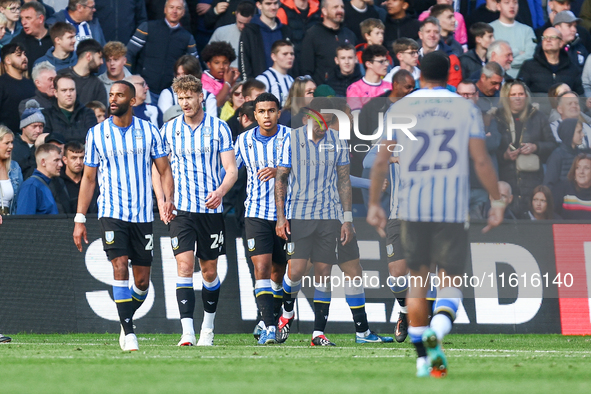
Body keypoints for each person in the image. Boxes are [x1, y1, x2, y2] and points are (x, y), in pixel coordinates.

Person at [367, 51, 505, 378]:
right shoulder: (464, 108)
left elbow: (380, 160)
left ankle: (421, 359)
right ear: (449, 75)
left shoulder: (400, 107)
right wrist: (496, 200)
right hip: (451, 208)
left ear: (419, 73)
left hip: (412, 208)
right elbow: (481, 161)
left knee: (417, 283)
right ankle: (437, 332)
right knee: (450, 284)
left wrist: (374, 203)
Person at [274, 97, 392, 346]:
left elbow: (343, 180)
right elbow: (282, 177)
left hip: (333, 216)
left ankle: (350, 332)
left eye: (329, 122)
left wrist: (347, 219)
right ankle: (285, 314)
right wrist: (281, 217)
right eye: (319, 122)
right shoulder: (292, 140)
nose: (323, 127)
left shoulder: (337, 141)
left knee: (345, 270)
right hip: (301, 216)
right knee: (297, 271)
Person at [73, 80, 175, 352]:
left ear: (132, 100)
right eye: (111, 95)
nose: (113, 99)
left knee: (141, 281)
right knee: (119, 265)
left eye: (120, 95)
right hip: (111, 212)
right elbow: (89, 178)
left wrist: (167, 200)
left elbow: (164, 170)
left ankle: (124, 317)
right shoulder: (96, 133)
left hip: (142, 214)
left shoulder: (150, 131)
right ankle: (129, 333)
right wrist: (80, 218)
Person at [157, 75, 238, 347]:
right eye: (180, 98)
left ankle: (208, 328)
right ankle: (187, 332)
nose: (185, 103)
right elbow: (159, 170)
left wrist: (220, 192)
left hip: (210, 210)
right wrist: (163, 200)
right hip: (181, 210)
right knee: (184, 265)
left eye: (189, 97)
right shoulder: (168, 130)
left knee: (210, 272)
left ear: (201, 97)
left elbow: (231, 170)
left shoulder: (219, 128)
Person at [234, 92, 289, 344]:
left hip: (287, 215)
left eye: (271, 111)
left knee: (280, 273)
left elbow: (306, 168)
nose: (267, 116)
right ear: (254, 115)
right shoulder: (243, 140)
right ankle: (268, 327)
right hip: (255, 213)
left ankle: (268, 317)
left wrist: (279, 170)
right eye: (262, 112)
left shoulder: (291, 137)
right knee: (262, 269)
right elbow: (230, 171)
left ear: (278, 112)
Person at [496, 80, 557, 215]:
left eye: (521, 94)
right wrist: (504, 156)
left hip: (533, 180)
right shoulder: (498, 117)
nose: (518, 97)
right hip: (506, 179)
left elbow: (552, 145)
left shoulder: (538, 116)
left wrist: (536, 147)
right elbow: (490, 150)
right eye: (513, 94)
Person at [126, 0, 198, 99]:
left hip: (171, 93)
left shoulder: (187, 38)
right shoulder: (147, 27)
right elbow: (128, 53)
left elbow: (194, 66)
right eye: (171, 7)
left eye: (179, 8)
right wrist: (131, 79)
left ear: (183, 12)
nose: (174, 11)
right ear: (165, 9)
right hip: (144, 90)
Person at [300, 0, 356, 85]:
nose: (340, 10)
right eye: (335, 7)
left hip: (349, 91)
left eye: (342, 7)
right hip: (323, 93)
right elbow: (306, 69)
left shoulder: (350, 35)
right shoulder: (312, 35)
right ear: (324, 11)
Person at [518, 27, 584, 96]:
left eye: (553, 37)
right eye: (545, 37)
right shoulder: (529, 66)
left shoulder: (572, 68)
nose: (548, 40)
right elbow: (520, 93)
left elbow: (580, 96)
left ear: (561, 43)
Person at [239, 0, 292, 80]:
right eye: (268, 3)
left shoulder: (285, 30)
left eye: (275, 3)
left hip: (284, 86)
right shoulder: (249, 31)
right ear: (259, 5)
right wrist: (249, 86)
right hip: (258, 87)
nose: (273, 7)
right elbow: (244, 62)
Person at [42, 73, 98, 143]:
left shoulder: (88, 113)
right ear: (56, 93)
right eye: (64, 90)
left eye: (72, 90)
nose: (69, 94)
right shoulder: (46, 115)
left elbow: (93, 138)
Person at [489, 0, 536, 78]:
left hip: (523, 81)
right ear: (498, 6)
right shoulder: (490, 29)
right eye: (507, 2)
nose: (512, 6)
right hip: (498, 80)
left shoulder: (527, 30)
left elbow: (531, 55)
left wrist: (506, 60)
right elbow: (491, 57)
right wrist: (517, 52)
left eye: (515, 2)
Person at [15, 143, 62, 214]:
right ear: (43, 162)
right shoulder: (31, 186)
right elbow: (24, 221)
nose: (61, 164)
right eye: (56, 160)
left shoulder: (43, 184)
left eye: (60, 160)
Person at [58, 38, 107, 106]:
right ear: (88, 56)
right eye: (99, 57)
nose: (102, 62)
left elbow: (102, 113)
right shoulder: (60, 76)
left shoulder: (98, 85)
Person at [0, 43, 36, 135]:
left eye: (25, 54)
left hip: (30, 138)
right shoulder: (2, 84)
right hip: (7, 139)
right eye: (19, 55)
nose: (24, 58)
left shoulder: (30, 84)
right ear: (7, 60)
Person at [208, 1, 255, 69]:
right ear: (236, 14)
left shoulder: (258, 35)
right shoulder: (221, 32)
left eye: (246, 24)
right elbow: (208, 58)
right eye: (240, 22)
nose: (242, 26)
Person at [417, 17, 462, 87]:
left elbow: (453, 85)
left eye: (436, 32)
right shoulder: (413, 56)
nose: (432, 35)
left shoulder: (451, 58)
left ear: (439, 35)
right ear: (420, 35)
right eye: (428, 31)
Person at [276, 0, 321, 71]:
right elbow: (280, 42)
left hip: (315, 63)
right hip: (293, 65)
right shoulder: (282, 11)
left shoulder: (318, 10)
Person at [545, 118, 588, 189]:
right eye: (579, 132)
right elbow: (549, 184)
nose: (583, 135)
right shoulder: (557, 156)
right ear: (569, 133)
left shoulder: (580, 154)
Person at [346, 44, 392, 110]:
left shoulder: (391, 87)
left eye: (386, 61)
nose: (387, 64)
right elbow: (357, 117)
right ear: (368, 64)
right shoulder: (355, 89)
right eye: (381, 61)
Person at [10, 1, 52, 71]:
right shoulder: (17, 42)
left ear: (41, 18)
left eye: (28, 18)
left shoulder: (56, 38)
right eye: (22, 18)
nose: (23, 22)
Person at [11, 99, 45, 179]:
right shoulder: (12, 146)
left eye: (41, 126)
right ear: (23, 127)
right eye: (34, 126)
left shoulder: (44, 146)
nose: (38, 131)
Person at [256, 40, 294, 107]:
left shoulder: (291, 80)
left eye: (292, 54)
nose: (290, 57)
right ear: (273, 56)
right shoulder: (263, 80)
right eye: (285, 54)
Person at [201, 41, 240, 107]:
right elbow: (215, 104)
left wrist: (233, 83)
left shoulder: (229, 78)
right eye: (217, 63)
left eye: (225, 63)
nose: (221, 67)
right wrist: (228, 83)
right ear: (209, 64)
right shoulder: (203, 81)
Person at [553, 153, 591, 219]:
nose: (581, 172)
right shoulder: (563, 187)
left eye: (586, 168)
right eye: (577, 168)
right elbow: (552, 213)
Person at [0, 125, 22, 215]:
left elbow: (19, 201)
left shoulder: (15, 167)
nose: (11, 146)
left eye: (12, 142)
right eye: (7, 143)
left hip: (9, 221)